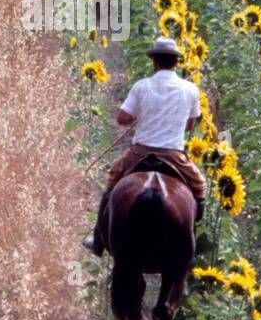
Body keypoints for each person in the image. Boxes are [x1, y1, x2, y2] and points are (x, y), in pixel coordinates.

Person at [84, 37, 207, 256]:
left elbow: (123, 118)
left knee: (113, 180)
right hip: (174, 155)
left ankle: (98, 238)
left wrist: (137, 117)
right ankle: (191, 239)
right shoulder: (190, 89)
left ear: (154, 62)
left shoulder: (142, 86)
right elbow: (189, 125)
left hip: (140, 151)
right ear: (176, 62)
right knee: (200, 187)